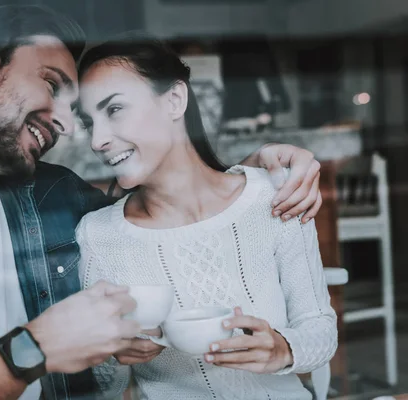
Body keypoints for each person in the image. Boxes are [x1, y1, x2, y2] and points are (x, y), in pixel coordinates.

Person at [0, 5, 323, 400]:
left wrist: (256, 172)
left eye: (76, 109)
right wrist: (32, 350)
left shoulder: (57, 199)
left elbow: (183, 206)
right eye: (51, 84)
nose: (68, 126)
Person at [76, 36, 337, 399]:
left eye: (115, 109)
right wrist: (111, 354)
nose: (97, 140)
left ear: (174, 100)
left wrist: (282, 349)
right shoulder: (98, 236)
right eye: (89, 122)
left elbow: (319, 329)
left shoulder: (271, 198)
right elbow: (105, 388)